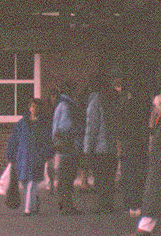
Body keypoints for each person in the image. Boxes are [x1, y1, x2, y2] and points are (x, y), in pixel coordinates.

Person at [126, 94, 161, 236]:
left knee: (153, 195)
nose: (153, 109)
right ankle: (145, 227)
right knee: (153, 195)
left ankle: (145, 228)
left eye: (155, 106)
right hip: (158, 162)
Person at [6, 98, 53, 215]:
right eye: (32, 106)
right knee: (25, 183)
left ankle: (28, 209)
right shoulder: (21, 123)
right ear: (29, 108)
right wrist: (10, 155)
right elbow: (14, 140)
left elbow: (48, 141)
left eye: (37, 107)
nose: (34, 109)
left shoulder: (44, 124)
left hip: (37, 157)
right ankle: (35, 200)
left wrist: (44, 154)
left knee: (32, 182)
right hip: (23, 157)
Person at [83, 72, 120, 213]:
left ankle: (103, 205)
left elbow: (92, 126)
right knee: (109, 177)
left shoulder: (95, 101)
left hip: (99, 147)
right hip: (112, 145)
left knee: (100, 178)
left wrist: (87, 148)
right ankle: (108, 204)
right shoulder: (114, 98)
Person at [118, 81, 150, 220]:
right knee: (137, 175)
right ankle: (136, 204)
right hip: (138, 144)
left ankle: (128, 205)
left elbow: (120, 127)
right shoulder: (142, 108)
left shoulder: (124, 107)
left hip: (127, 144)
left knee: (127, 174)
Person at [51, 79, 84, 214]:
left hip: (65, 147)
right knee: (66, 178)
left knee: (65, 177)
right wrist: (78, 130)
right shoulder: (67, 105)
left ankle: (64, 204)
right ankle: (66, 206)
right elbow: (65, 126)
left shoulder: (62, 104)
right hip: (69, 147)